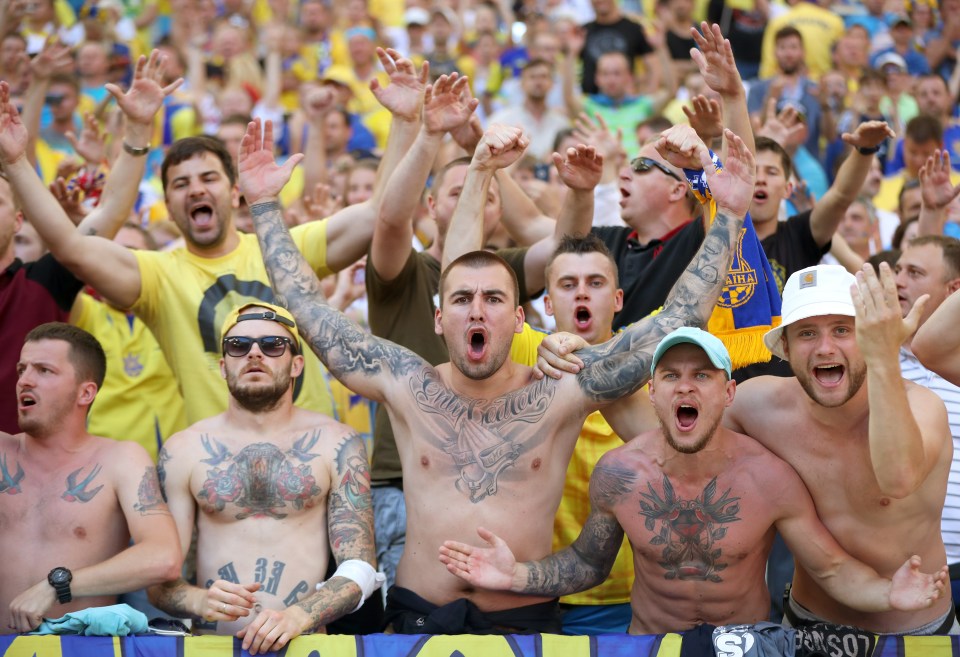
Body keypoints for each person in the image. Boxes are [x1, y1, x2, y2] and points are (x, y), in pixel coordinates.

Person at [243, 114, 757, 633]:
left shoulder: (566, 386)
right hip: (419, 617)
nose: (477, 311)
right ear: (441, 319)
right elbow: (308, 310)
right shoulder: (405, 381)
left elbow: (675, 322)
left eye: (494, 299)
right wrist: (264, 207)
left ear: (519, 318)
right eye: (462, 299)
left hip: (525, 620)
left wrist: (731, 214)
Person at [0, 49, 424, 427]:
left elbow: (376, 216)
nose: (197, 190)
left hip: (312, 465)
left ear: (234, 190)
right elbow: (70, 248)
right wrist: (16, 161)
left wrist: (406, 124)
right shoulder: (158, 275)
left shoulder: (283, 247)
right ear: (167, 203)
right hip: (218, 479)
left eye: (208, 178)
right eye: (181, 184)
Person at [437, 327, 948, 634]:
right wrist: (516, 577)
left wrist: (888, 594)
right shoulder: (620, 474)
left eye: (702, 376)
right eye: (672, 376)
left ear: (728, 394)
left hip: (744, 646)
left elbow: (832, 568)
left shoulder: (769, 478)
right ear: (653, 393)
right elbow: (587, 564)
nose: (686, 387)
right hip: (653, 641)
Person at [148, 304, 377, 654]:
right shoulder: (183, 449)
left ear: (296, 364)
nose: (254, 353)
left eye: (273, 344)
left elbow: (360, 567)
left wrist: (298, 616)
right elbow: (159, 581)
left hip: (305, 645)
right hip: (212, 648)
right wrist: (198, 601)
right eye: (238, 345)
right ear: (223, 366)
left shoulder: (338, 443)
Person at [0, 51, 181, 434]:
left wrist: (136, 128)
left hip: (26, 479)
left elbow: (111, 212)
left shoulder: (42, 283)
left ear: (19, 219)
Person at [0, 323, 182, 633]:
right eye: (22, 369)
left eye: (44, 370)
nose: (25, 381)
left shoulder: (120, 460)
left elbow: (164, 557)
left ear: (86, 392)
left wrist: (56, 586)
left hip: (77, 650)